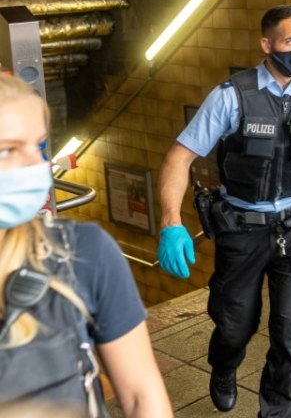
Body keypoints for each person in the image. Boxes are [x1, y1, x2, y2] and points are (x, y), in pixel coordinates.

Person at [157, 5, 291, 417]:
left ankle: (276, 412)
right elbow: (178, 159)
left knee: (289, 331)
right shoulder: (231, 96)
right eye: (290, 42)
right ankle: (224, 366)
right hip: (243, 228)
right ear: (267, 45)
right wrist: (171, 224)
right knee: (235, 324)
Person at [0, 76, 171, 417]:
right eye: (6, 150)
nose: (37, 167)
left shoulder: (82, 252)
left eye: (38, 146)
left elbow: (142, 394)